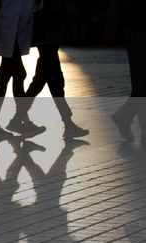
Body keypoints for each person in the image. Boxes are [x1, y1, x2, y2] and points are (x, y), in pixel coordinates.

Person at [13, 0, 89, 139]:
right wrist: (65, 14)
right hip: (47, 38)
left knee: (50, 82)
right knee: (50, 82)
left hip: (49, 39)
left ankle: (68, 124)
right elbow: (45, 17)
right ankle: (18, 118)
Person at [0, 0, 45, 139]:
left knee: (5, 77)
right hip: (6, 31)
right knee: (19, 73)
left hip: (17, 33)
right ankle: (21, 121)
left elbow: (36, 5)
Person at [105, 0, 146, 143]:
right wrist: (110, 28)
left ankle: (124, 116)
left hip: (138, 25)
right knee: (141, 83)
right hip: (139, 26)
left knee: (141, 82)